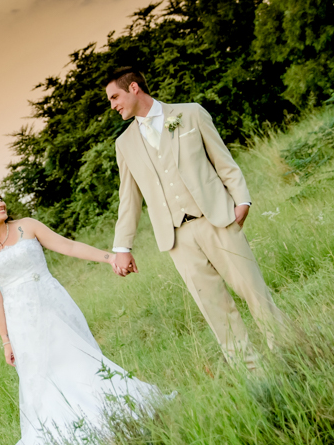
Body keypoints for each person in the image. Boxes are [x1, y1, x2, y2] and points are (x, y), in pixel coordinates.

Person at [0, 183, 166, 445]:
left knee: (78, 360)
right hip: (22, 322)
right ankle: (66, 436)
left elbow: (68, 246)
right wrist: (6, 341)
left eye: (1, 198)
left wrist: (109, 257)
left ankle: (110, 414)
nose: (1, 203)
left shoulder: (27, 227)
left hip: (53, 306)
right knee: (41, 378)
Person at [105, 67, 286, 371]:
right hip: (177, 238)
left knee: (255, 293)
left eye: (114, 97)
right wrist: (122, 247)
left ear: (134, 88)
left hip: (217, 219)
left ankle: (288, 354)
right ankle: (254, 374)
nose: (112, 105)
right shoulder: (123, 144)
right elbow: (129, 199)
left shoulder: (190, 114)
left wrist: (242, 199)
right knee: (215, 309)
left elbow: (223, 160)